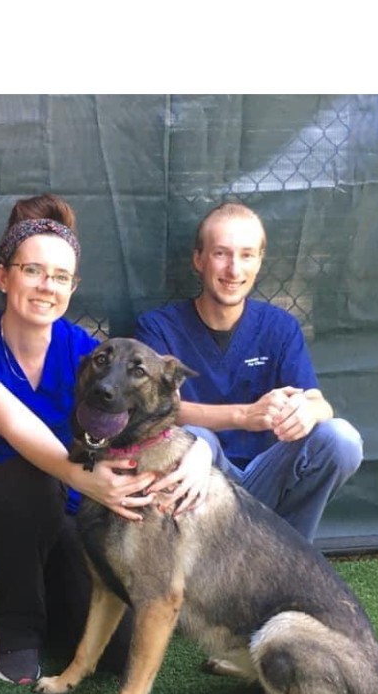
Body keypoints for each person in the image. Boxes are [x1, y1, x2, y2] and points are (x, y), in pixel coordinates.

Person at [0, 195, 213, 685]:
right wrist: (83, 479)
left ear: (72, 287)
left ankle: (49, 590)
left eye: (61, 276)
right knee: (33, 477)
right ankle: (17, 625)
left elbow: (155, 403)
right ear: (4, 277)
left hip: (71, 514)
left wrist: (202, 446)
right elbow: (15, 426)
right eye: (33, 271)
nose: (47, 286)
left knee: (118, 653)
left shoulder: (89, 352)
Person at [136, 203, 362, 542]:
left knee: (341, 439)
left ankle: (289, 554)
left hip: (267, 480)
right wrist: (244, 416)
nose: (234, 268)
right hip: (200, 485)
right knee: (198, 440)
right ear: (199, 260)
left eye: (246, 255)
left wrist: (306, 412)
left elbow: (319, 403)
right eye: (221, 254)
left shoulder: (279, 326)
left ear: (259, 261)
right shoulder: (158, 328)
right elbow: (156, 411)